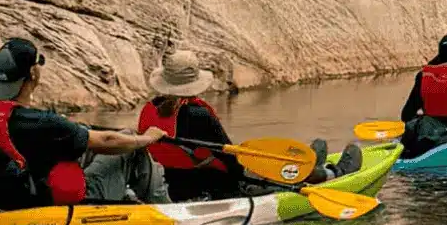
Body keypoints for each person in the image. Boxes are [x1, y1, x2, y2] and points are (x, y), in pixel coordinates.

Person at [0, 38, 168, 210]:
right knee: (132, 146)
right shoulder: (44, 123)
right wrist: (148, 137)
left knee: (105, 141)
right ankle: (167, 209)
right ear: (34, 73)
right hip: (53, 205)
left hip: (6, 197)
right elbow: (108, 139)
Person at [138, 51, 358, 201]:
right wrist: (253, 170)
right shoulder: (197, 113)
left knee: (307, 150)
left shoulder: (149, 108)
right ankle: (331, 174)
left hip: (170, 184)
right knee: (267, 173)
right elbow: (231, 162)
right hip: (215, 186)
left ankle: (309, 163)